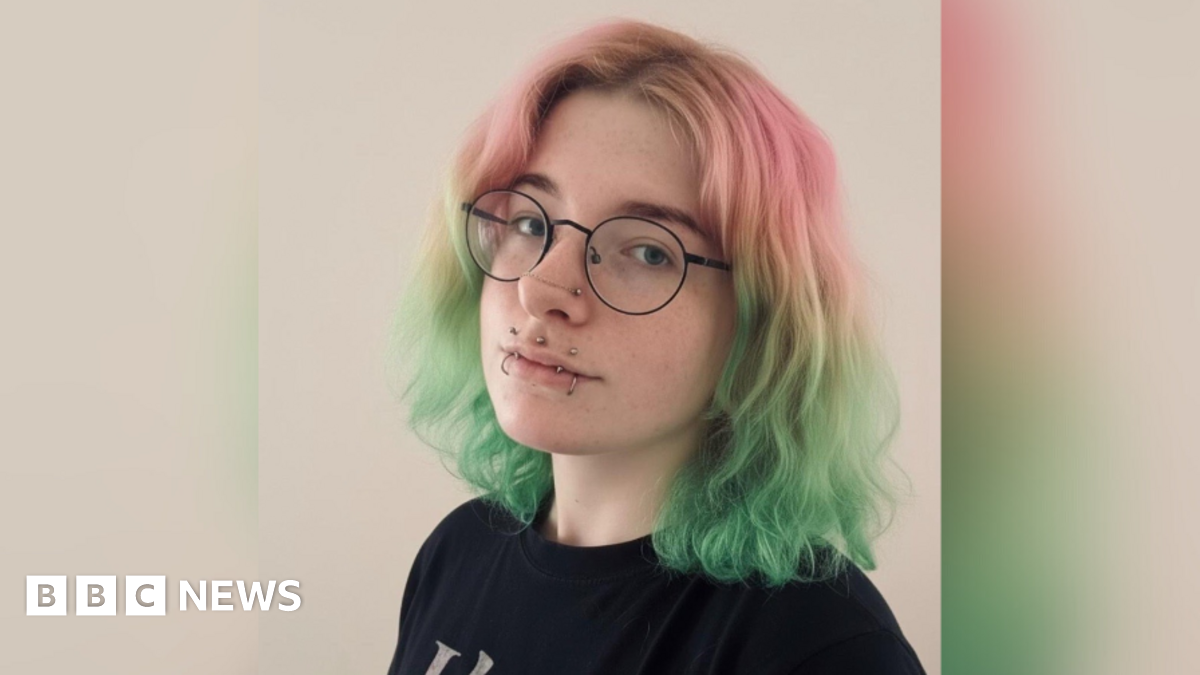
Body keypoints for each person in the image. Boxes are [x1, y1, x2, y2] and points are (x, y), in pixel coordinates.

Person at [385, 18, 926, 674]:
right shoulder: (458, 552)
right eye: (530, 221)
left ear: (760, 321)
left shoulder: (818, 646)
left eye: (646, 251)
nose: (541, 287)